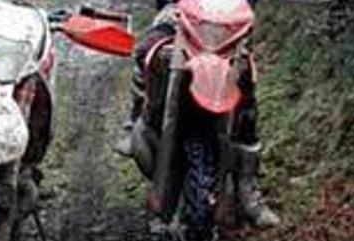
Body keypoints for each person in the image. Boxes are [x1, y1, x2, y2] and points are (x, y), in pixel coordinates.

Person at [118, 0, 280, 227]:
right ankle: (136, 115)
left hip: (228, 19)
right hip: (180, 14)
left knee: (244, 81)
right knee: (147, 50)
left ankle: (248, 190)